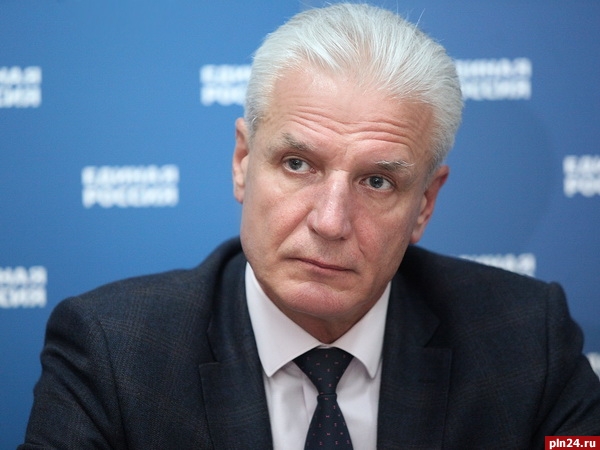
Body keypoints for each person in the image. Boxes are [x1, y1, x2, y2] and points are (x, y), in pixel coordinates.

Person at [20, 3, 600, 449]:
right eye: (298, 164)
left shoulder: (529, 340)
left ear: (425, 204)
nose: (330, 222)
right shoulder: (114, 352)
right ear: (243, 161)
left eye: (377, 181)